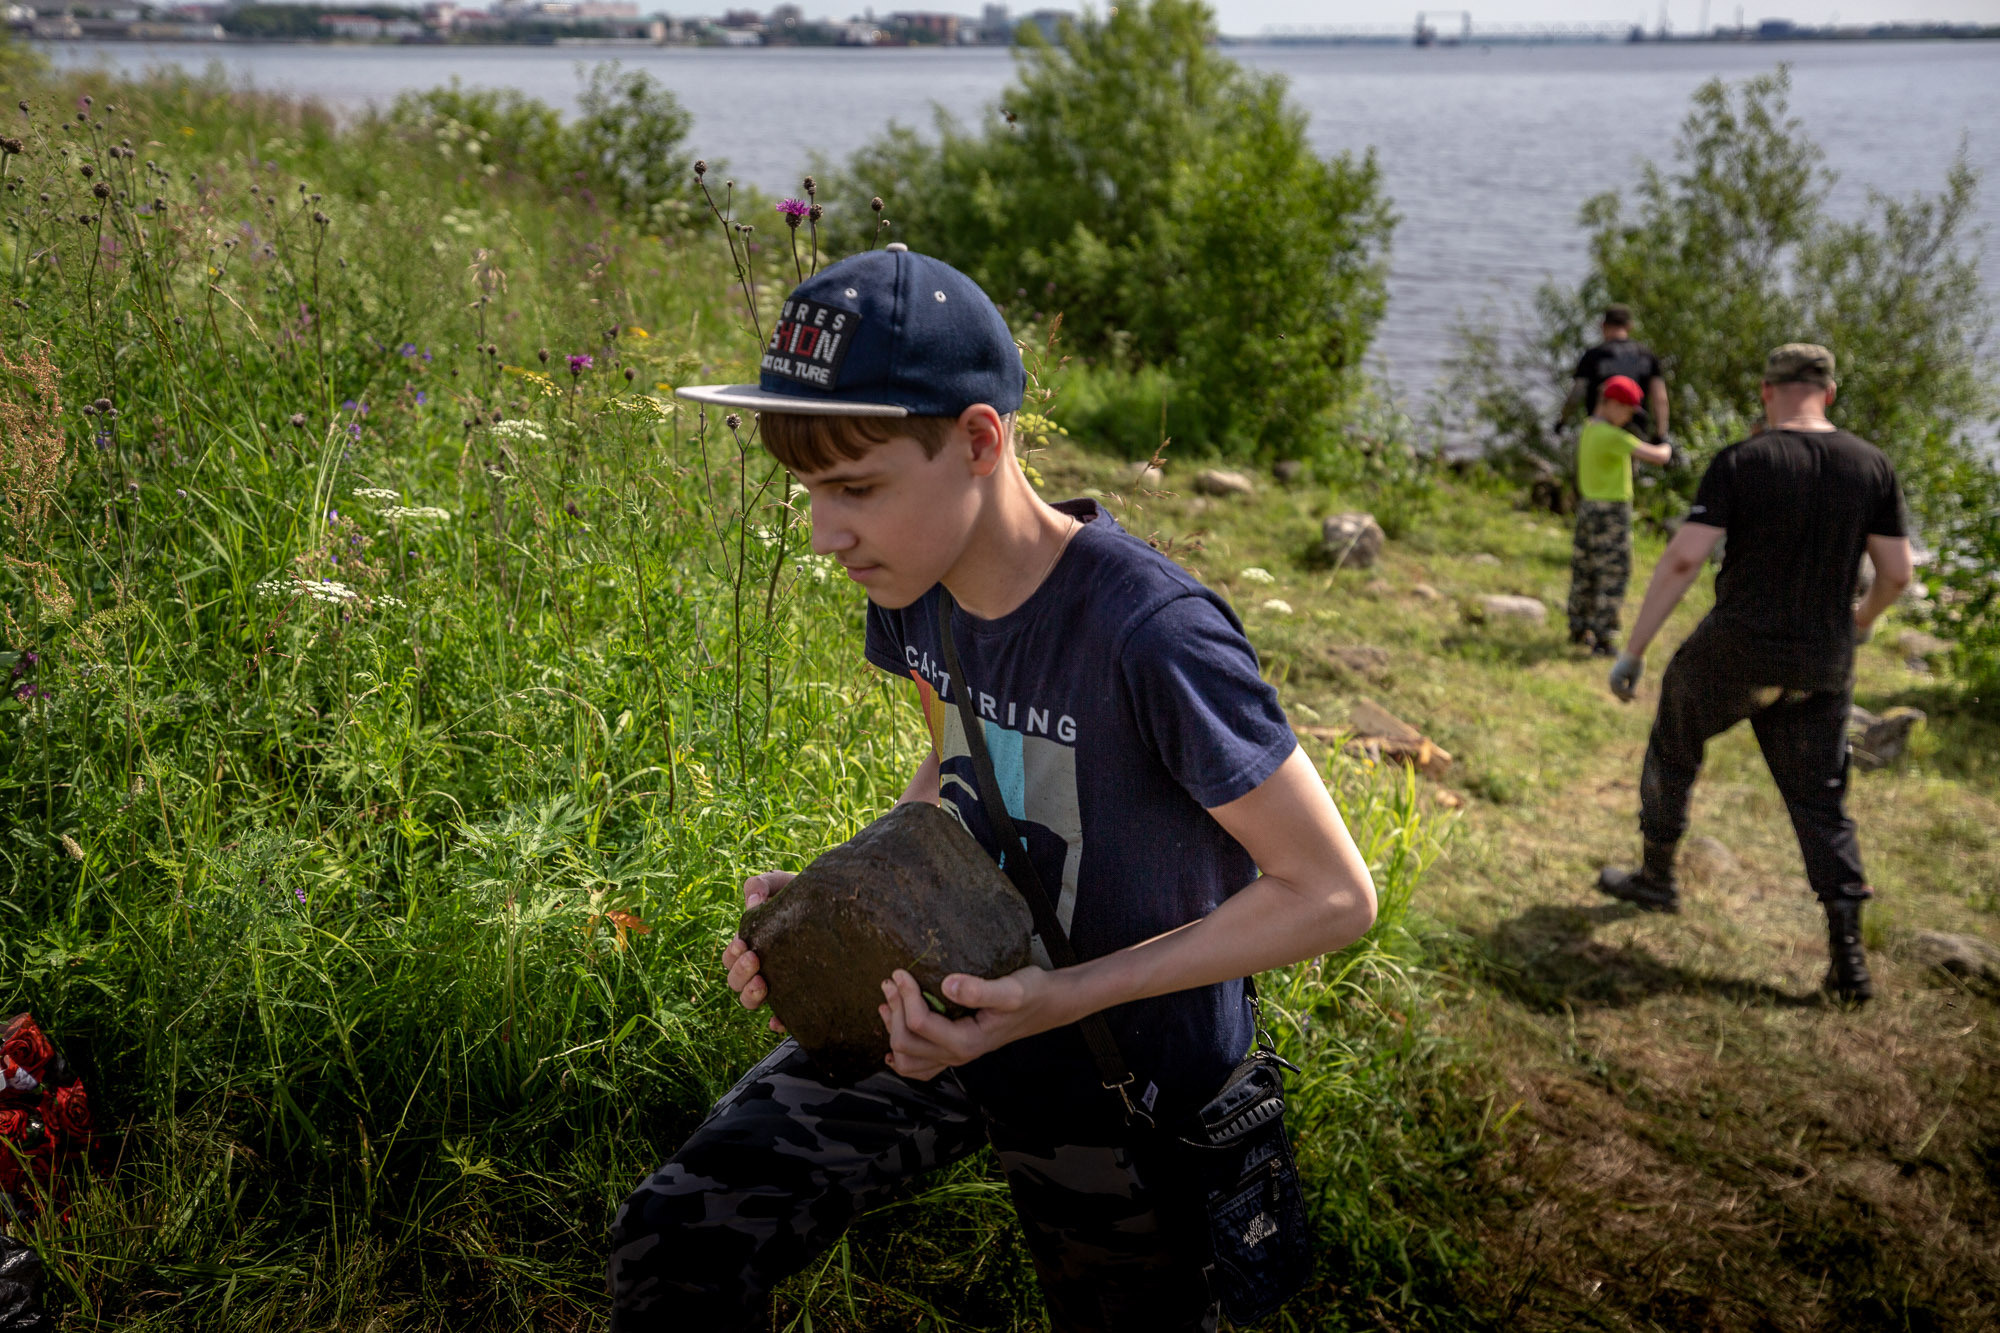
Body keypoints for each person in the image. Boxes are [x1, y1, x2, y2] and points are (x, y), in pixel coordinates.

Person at [608, 245, 1380, 1331]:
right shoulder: (913, 583)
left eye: (855, 487)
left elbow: (1331, 895)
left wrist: (1057, 999)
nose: (824, 535)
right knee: (677, 1232)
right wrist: (829, 903)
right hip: (948, 1009)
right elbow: (956, 764)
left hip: (1125, 1082)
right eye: (811, 493)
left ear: (977, 440)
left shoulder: (1150, 635)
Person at [1598, 344, 1913, 1005]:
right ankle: (1849, 964)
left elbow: (1685, 560)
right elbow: (1897, 574)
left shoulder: (1744, 460)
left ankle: (1657, 878)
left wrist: (1634, 650)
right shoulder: (1871, 466)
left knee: (1674, 744)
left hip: (1735, 651)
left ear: (1767, 393)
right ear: (1828, 394)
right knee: (1821, 803)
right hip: (1821, 662)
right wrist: (1861, 621)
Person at [1567, 374, 1673, 654]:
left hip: (1588, 507)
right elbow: (1658, 456)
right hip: (1611, 513)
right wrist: (1666, 443)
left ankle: (1578, 626)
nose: (1628, 417)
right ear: (1612, 404)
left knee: (1586, 569)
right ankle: (1604, 638)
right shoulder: (1613, 436)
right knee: (1613, 573)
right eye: (1627, 410)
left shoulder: (1588, 428)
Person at [1558, 303, 1671, 446]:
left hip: (1601, 428)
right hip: (1634, 430)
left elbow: (1576, 393)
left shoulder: (1594, 355)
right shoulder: (1647, 355)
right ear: (1630, 326)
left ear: (1603, 325)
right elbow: (1660, 399)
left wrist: (1563, 421)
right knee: (1628, 467)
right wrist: (1661, 435)